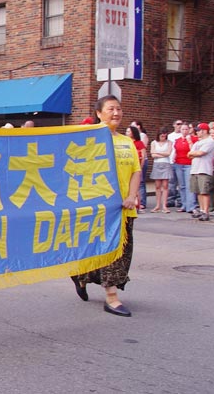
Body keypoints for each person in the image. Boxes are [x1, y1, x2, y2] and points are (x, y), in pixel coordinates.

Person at [71, 95, 140, 317]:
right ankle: (111, 298)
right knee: (107, 251)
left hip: (124, 208)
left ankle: (81, 275)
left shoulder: (127, 142)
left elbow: (136, 171)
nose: (116, 113)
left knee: (122, 253)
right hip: (99, 209)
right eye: (110, 109)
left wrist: (131, 196)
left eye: (118, 108)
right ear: (99, 113)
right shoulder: (90, 139)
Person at [187, 123, 214, 222]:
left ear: (205, 131)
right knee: (198, 191)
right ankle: (201, 210)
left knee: (204, 191)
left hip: (204, 169)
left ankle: (206, 212)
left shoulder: (210, 141)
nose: (197, 132)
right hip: (195, 169)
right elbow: (189, 154)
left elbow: (201, 153)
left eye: (199, 130)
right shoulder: (197, 143)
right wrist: (193, 153)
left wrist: (194, 153)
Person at [173, 122, 197, 213]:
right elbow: (176, 151)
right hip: (178, 163)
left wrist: (189, 141)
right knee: (182, 186)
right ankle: (184, 205)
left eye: (186, 129)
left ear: (189, 130)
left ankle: (191, 206)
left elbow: (193, 150)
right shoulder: (177, 140)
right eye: (183, 129)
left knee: (189, 185)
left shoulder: (194, 139)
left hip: (189, 163)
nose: (184, 131)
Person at [149, 127, 173, 213]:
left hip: (166, 164)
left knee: (165, 185)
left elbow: (168, 153)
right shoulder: (154, 142)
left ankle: (164, 206)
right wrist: (163, 154)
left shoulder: (169, 142)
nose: (163, 136)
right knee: (157, 186)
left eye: (165, 134)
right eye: (162, 134)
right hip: (157, 164)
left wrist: (157, 153)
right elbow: (153, 155)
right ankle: (157, 205)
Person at [125, 125, 146, 211]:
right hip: (128, 166)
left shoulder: (139, 143)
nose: (127, 133)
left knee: (137, 186)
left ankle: (139, 205)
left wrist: (140, 167)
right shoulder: (126, 142)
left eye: (128, 131)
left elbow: (143, 156)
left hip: (137, 165)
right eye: (126, 131)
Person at [131, 121, 149, 210]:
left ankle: (141, 202)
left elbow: (143, 154)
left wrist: (140, 166)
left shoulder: (141, 139)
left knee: (140, 182)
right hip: (131, 164)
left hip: (139, 162)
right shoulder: (127, 141)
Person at [166, 119, 183, 208]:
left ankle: (180, 200)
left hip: (180, 161)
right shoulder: (170, 136)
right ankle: (170, 200)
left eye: (181, 124)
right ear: (174, 125)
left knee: (181, 182)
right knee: (171, 182)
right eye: (178, 124)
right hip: (170, 161)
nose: (180, 125)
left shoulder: (183, 136)